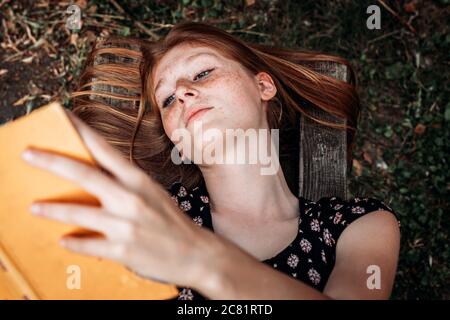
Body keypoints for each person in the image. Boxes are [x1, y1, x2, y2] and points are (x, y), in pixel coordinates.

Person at [22, 21, 401, 300]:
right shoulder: (153, 215)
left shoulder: (358, 227)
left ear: (263, 86)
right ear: (179, 145)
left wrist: (200, 261)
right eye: (168, 100)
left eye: (203, 73)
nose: (184, 92)